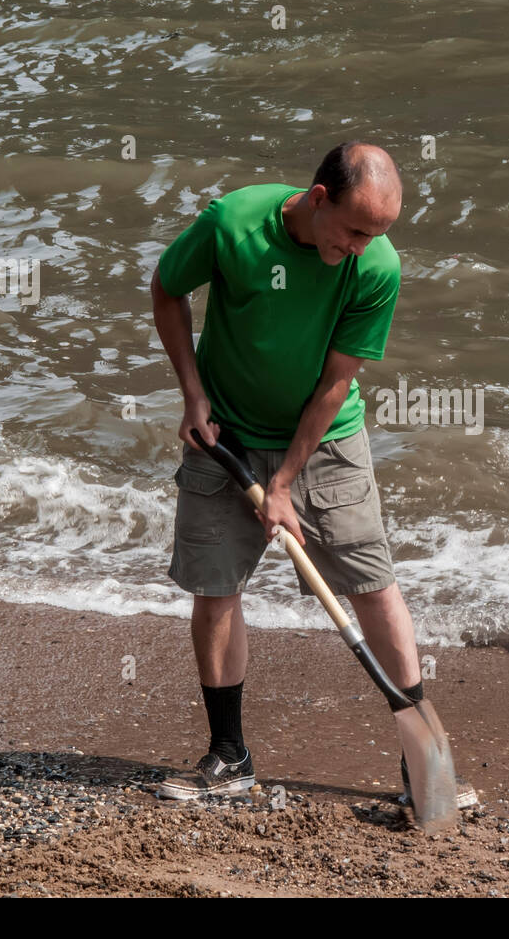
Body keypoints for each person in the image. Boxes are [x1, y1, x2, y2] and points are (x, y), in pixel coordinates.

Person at [149, 140, 476, 810]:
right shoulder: (232, 224)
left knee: (373, 585)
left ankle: (423, 769)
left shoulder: (376, 265)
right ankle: (230, 755)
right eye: (355, 229)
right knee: (215, 589)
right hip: (225, 435)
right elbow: (166, 290)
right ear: (319, 198)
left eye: (377, 234)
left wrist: (284, 482)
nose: (362, 247)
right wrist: (193, 395)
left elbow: (335, 383)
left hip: (326, 441)